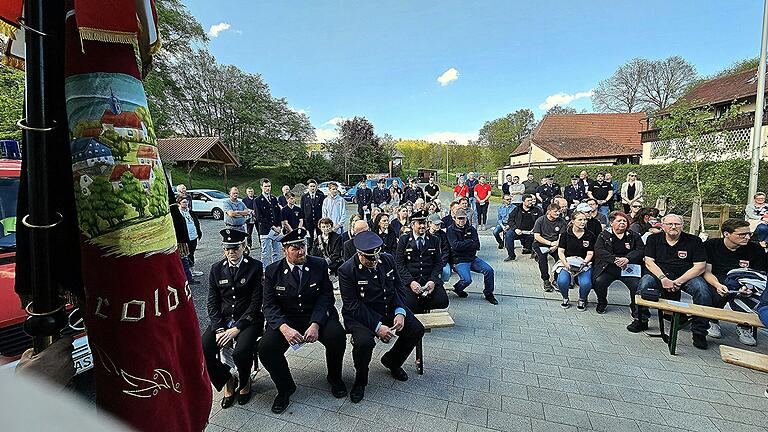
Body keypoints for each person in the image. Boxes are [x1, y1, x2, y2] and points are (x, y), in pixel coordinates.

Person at [259, 228, 347, 413]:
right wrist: (284, 328)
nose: (301, 251)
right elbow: (269, 305)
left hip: (315, 315)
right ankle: (285, 388)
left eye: (303, 246)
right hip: (287, 319)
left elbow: (326, 297)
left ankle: (335, 378)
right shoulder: (272, 271)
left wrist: (316, 323)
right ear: (284, 250)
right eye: (295, 248)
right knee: (266, 349)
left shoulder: (319, 264)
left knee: (337, 336)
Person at [338, 231, 426, 403]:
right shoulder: (347, 270)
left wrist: (400, 312)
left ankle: (392, 361)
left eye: (376, 257)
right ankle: (360, 381)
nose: (374, 262)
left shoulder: (387, 259)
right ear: (359, 254)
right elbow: (353, 305)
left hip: (388, 308)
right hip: (361, 315)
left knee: (416, 329)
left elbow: (399, 288)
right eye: (370, 259)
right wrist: (378, 327)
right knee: (364, 343)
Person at [202, 229, 263, 409]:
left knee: (241, 351)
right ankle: (228, 379)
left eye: (235, 248)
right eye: (228, 248)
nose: (231, 252)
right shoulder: (216, 269)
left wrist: (236, 329)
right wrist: (219, 328)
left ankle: (244, 383)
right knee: (204, 349)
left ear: (243, 247)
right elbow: (212, 302)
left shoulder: (255, 266)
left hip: (247, 320)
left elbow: (256, 302)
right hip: (223, 320)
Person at [637, 214, 712, 348]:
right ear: (663, 225)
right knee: (644, 284)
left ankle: (699, 331)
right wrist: (663, 279)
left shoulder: (694, 241)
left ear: (683, 226)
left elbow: (700, 266)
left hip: (687, 275)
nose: (673, 227)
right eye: (670, 224)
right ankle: (641, 319)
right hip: (660, 274)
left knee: (703, 291)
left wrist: (678, 281)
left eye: (677, 224)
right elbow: (649, 262)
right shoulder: (653, 239)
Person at [704, 218, 768, 346]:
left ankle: (744, 326)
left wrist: (750, 287)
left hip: (745, 280)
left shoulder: (755, 249)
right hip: (717, 278)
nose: (747, 237)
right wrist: (717, 285)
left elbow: (759, 275)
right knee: (712, 291)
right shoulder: (712, 245)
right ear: (726, 234)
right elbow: (707, 272)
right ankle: (712, 320)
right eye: (742, 234)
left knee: (750, 295)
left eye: (748, 234)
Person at [592, 211, 645, 317]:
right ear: (611, 223)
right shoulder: (604, 235)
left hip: (628, 267)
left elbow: (640, 250)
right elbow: (599, 251)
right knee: (599, 281)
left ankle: (634, 307)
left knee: (636, 285)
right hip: (609, 267)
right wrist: (614, 259)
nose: (622, 223)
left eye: (624, 221)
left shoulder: (633, 236)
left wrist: (627, 259)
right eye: (619, 220)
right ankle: (602, 302)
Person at [395, 210, 449, 313]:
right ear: (412, 225)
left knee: (443, 301)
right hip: (411, 280)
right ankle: (419, 310)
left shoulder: (434, 239)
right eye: (419, 223)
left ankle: (423, 305)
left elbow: (438, 263)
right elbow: (399, 264)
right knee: (409, 304)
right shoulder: (404, 240)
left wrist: (433, 281)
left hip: (428, 279)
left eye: (424, 223)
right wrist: (411, 282)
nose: (422, 226)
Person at [446, 209, 497, 304]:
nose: (461, 221)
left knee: (489, 270)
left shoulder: (471, 229)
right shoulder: (450, 230)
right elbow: (455, 246)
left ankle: (489, 293)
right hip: (459, 260)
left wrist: (463, 245)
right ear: (454, 219)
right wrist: (469, 242)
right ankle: (457, 288)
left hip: (472, 258)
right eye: (459, 218)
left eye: (463, 219)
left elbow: (477, 245)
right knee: (467, 280)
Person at [554, 210, 596, 310]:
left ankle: (582, 299)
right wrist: (565, 263)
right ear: (573, 221)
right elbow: (560, 251)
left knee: (586, 283)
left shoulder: (590, 235)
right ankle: (565, 298)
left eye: (585, 220)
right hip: (567, 262)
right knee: (562, 281)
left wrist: (585, 262)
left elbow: (590, 252)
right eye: (580, 219)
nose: (583, 222)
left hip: (583, 262)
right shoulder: (565, 234)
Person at [533, 203, 568, 292]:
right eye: (555, 211)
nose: (558, 213)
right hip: (541, 243)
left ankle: (556, 280)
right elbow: (537, 236)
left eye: (559, 211)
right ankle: (546, 280)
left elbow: (562, 237)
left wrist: (556, 245)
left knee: (560, 258)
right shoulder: (540, 220)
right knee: (542, 258)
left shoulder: (562, 222)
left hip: (556, 243)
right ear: (549, 212)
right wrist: (550, 243)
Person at [505, 194, 542, 261]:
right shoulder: (516, 209)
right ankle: (511, 256)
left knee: (539, 238)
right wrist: (515, 229)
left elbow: (541, 221)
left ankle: (537, 255)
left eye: (531, 200)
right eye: (528, 201)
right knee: (508, 235)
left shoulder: (537, 210)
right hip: (519, 231)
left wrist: (535, 229)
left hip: (532, 232)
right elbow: (510, 220)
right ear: (523, 201)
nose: (530, 202)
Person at [255, 179, 282, 267]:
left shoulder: (274, 198)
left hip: (276, 230)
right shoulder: (257, 200)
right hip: (265, 230)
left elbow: (278, 213)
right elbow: (259, 217)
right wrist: (272, 227)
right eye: (265, 186)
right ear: (261, 187)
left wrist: (279, 226)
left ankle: (276, 268)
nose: (268, 188)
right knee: (265, 253)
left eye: (269, 186)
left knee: (277, 252)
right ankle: (265, 270)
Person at [177, 195, 202, 277]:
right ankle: (187, 272)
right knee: (186, 255)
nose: (186, 203)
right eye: (184, 202)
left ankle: (192, 270)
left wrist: (198, 232)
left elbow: (196, 222)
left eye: (186, 201)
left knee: (192, 253)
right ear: (179, 203)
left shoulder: (190, 212)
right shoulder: (178, 214)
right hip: (185, 237)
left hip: (193, 236)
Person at [428, 213, 452, 283]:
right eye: (436, 224)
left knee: (446, 272)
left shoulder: (442, 234)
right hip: (428, 261)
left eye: (439, 224)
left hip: (441, 260)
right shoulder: (425, 234)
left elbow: (446, 250)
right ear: (429, 224)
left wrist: (442, 262)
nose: (438, 226)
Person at [301, 179, 326, 245]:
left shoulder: (321, 196)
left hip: (319, 221)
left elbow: (323, 209)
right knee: (310, 239)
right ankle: (310, 252)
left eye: (314, 186)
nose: (312, 188)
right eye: (311, 186)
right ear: (308, 187)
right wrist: (303, 223)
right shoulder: (304, 197)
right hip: (308, 222)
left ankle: (320, 251)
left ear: (316, 187)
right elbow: (302, 210)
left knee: (320, 237)